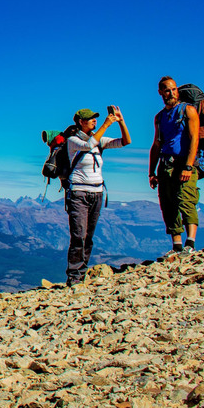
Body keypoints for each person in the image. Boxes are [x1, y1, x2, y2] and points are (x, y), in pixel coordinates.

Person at [64, 106, 131, 284]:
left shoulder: (100, 141)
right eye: (91, 119)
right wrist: (107, 124)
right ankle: (74, 277)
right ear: (80, 122)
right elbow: (88, 145)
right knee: (78, 235)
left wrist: (121, 121)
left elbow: (126, 141)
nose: (94, 121)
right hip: (79, 193)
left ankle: (82, 272)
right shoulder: (73, 141)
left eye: (95, 118)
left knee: (88, 236)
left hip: (97, 193)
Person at [149, 76, 200, 254]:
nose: (171, 93)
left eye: (173, 89)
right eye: (167, 90)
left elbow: (195, 139)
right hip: (165, 164)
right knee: (167, 204)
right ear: (161, 92)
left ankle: (190, 244)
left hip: (184, 163)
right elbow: (156, 144)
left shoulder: (188, 111)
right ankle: (176, 245)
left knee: (186, 200)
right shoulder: (159, 117)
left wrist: (188, 166)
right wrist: (151, 172)